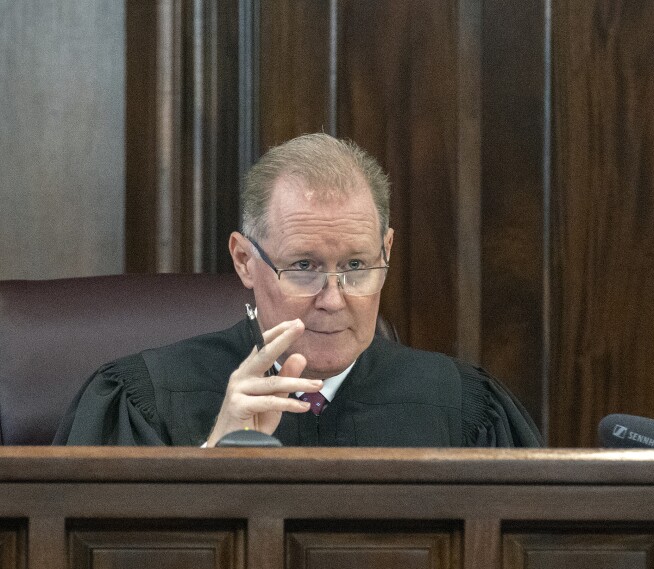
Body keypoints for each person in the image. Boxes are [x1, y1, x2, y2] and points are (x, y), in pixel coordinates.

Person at [54, 133, 542, 447]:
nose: (333, 299)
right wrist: (207, 467)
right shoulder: (145, 401)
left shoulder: (466, 410)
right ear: (245, 260)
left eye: (356, 265)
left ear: (387, 249)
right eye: (304, 266)